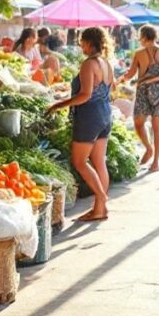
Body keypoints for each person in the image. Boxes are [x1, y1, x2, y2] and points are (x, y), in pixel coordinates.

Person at [46, 27, 115, 222]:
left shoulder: (88, 64)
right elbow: (113, 89)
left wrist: (59, 105)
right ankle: (100, 209)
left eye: (82, 42)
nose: (80, 45)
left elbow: (84, 95)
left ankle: (102, 198)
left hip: (89, 117)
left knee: (79, 161)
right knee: (99, 162)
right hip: (105, 114)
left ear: (89, 42)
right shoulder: (106, 63)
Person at [119, 25, 159, 172]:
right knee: (141, 122)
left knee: (151, 125)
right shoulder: (140, 53)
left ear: (144, 37)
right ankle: (149, 149)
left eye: (140, 36)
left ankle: (155, 161)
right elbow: (131, 73)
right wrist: (121, 79)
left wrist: (150, 80)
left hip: (157, 91)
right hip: (151, 91)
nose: (139, 39)